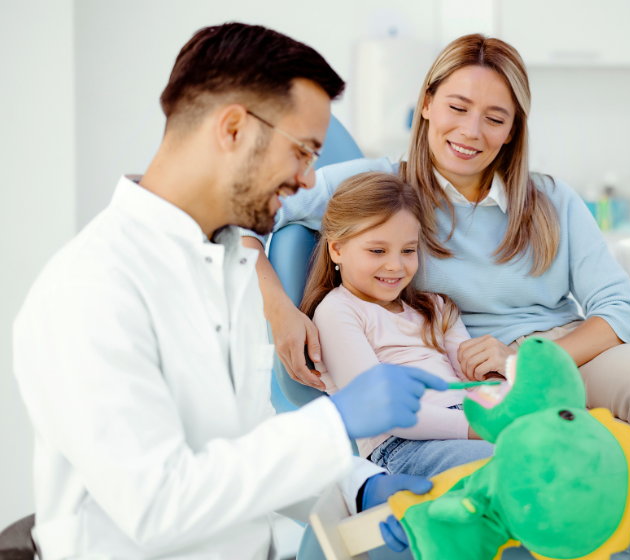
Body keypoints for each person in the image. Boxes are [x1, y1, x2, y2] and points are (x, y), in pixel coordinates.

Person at [242, 34, 630, 528]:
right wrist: (279, 308)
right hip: (475, 380)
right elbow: (244, 213)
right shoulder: (380, 190)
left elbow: (622, 308)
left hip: (564, 353)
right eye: (459, 107)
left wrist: (531, 358)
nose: (471, 132)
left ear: (514, 126)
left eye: (496, 117)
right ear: (428, 103)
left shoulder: (546, 199)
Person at [12, 23, 442, 560]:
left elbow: (247, 443)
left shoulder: (230, 263)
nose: (309, 180)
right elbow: (157, 505)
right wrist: (335, 423)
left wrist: (361, 485)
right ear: (234, 128)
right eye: (303, 152)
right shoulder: (91, 288)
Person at [292, 170, 630, 560]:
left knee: (601, 456)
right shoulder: (339, 312)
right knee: (548, 478)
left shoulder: (434, 305)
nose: (396, 266)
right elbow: (381, 411)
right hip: (405, 445)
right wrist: (475, 418)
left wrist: (504, 385)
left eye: (408, 250)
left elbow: (472, 369)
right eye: (377, 251)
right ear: (336, 249)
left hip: (484, 421)